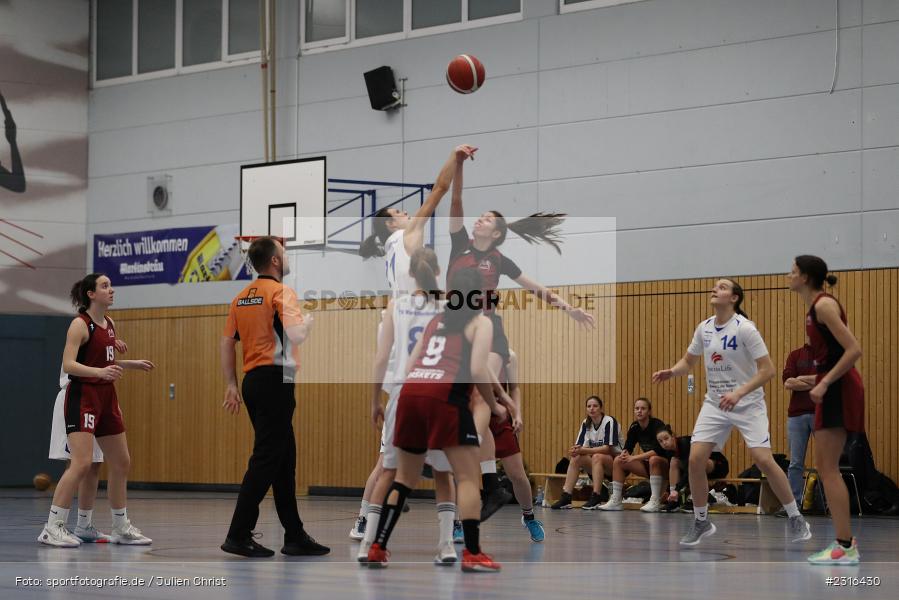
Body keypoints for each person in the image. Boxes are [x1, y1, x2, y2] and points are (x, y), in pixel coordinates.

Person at [449, 149, 596, 519]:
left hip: (489, 332)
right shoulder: (458, 245)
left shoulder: (499, 260)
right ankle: (484, 479)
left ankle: (491, 485)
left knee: (482, 399)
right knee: (462, 405)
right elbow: (456, 198)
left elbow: (536, 287)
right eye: (478, 218)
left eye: (485, 219)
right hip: (456, 333)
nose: (478, 220)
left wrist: (568, 308)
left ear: (495, 233)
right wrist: (458, 164)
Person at [352, 145, 477, 541]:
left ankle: (364, 521)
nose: (406, 213)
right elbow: (439, 188)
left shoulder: (392, 249)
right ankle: (449, 533)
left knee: (388, 454)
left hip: (395, 330)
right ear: (392, 225)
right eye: (398, 213)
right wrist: (456, 159)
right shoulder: (409, 235)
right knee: (437, 461)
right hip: (418, 335)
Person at [651, 278, 812, 546]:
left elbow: (768, 370)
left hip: (747, 403)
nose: (715, 289)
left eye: (722, 287)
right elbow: (688, 361)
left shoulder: (745, 329)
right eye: (714, 286)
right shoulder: (703, 328)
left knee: (763, 460)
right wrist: (673, 371)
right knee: (694, 459)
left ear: (734, 298)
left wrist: (739, 392)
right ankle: (701, 521)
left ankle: (796, 517)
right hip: (715, 403)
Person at [366, 269, 503, 572]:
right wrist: (495, 405)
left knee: (404, 478)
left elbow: (413, 363)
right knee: (466, 477)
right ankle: (473, 552)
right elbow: (479, 370)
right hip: (445, 398)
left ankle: (378, 546)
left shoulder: (436, 321)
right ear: (479, 295)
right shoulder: (480, 322)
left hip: (410, 395)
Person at [220, 237, 329, 558]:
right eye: (284, 253)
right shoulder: (282, 292)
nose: (287, 256)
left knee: (284, 459)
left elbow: (227, 343)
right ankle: (238, 533)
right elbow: (295, 334)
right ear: (275, 262)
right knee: (268, 457)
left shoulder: (241, 297)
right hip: (276, 382)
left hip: (253, 381)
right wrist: (306, 324)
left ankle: (294, 535)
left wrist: (230, 384)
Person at [356, 247, 461, 566]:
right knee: (444, 473)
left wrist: (376, 399)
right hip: (440, 391)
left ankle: (368, 544)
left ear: (412, 274)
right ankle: (446, 546)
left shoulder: (396, 306)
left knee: (389, 471)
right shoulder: (449, 306)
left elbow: (380, 358)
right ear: (438, 271)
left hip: (403, 393)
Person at [38, 274, 154, 547]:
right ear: (91, 294)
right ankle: (52, 527)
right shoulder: (79, 325)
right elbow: (69, 364)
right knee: (81, 463)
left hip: (106, 397)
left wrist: (130, 364)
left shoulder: (110, 324)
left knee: (121, 461)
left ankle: (120, 526)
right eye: (105, 286)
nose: (111, 290)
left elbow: (103, 361)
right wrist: (102, 372)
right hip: (83, 396)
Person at [788, 255, 864, 565]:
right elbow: (832, 355)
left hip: (840, 390)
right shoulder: (814, 308)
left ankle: (845, 546)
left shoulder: (823, 305)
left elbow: (854, 349)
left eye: (792, 271)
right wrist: (815, 377)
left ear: (805, 277)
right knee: (825, 468)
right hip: (832, 386)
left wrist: (824, 383)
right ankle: (844, 543)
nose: (787, 276)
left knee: (829, 469)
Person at [490, 350, 546, 541]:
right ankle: (458, 523)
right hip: (475, 416)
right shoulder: (467, 349)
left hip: (500, 419)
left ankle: (529, 517)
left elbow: (514, 388)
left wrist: (517, 414)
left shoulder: (509, 355)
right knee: (466, 475)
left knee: (518, 475)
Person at [551, 395, 622, 510]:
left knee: (597, 456)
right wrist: (575, 450)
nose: (592, 408)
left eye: (595, 406)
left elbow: (607, 449)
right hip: (596, 464)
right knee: (576, 458)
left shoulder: (609, 421)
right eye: (589, 406)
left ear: (601, 408)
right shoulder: (586, 423)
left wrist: (584, 450)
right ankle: (566, 496)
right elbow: (581, 447)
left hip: (616, 465)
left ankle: (596, 496)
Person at [599, 397, 667, 512]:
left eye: (643, 408)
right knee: (618, 460)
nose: (639, 411)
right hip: (649, 465)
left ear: (649, 411)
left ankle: (655, 500)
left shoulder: (657, 425)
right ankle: (616, 500)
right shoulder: (635, 426)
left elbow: (658, 450)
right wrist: (624, 454)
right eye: (637, 408)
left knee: (654, 459)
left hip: (665, 466)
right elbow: (628, 447)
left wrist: (634, 457)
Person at [655, 425, 729, 510]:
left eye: (666, 438)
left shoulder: (684, 443)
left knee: (697, 463)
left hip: (717, 465)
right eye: (660, 441)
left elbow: (689, 470)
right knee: (674, 461)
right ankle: (674, 500)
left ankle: (700, 498)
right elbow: (679, 472)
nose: (664, 443)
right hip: (695, 470)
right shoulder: (669, 452)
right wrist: (670, 491)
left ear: (673, 436)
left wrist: (677, 489)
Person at [782, 336, 818, 503]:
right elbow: (788, 383)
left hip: (822, 415)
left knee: (827, 463)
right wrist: (816, 381)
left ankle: (828, 504)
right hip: (796, 416)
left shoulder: (829, 356)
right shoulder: (795, 355)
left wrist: (801, 378)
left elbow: (829, 380)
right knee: (795, 463)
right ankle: (793, 504)